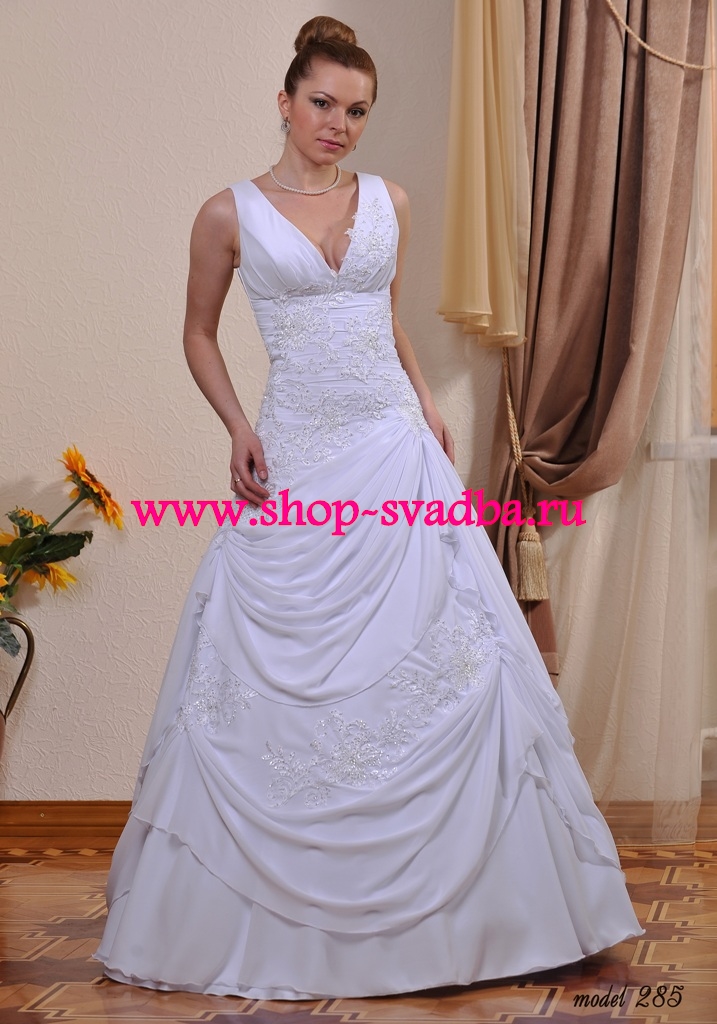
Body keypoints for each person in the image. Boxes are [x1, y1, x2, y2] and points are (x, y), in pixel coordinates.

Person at [95, 15, 642, 999]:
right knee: (280, 674)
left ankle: (491, 919)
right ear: (284, 101)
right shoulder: (226, 213)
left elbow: (383, 315)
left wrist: (427, 407)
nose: (338, 124)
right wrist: (236, 426)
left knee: (454, 660)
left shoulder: (389, 200)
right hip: (296, 459)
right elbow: (197, 332)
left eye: (356, 111)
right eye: (321, 103)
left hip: (394, 452)